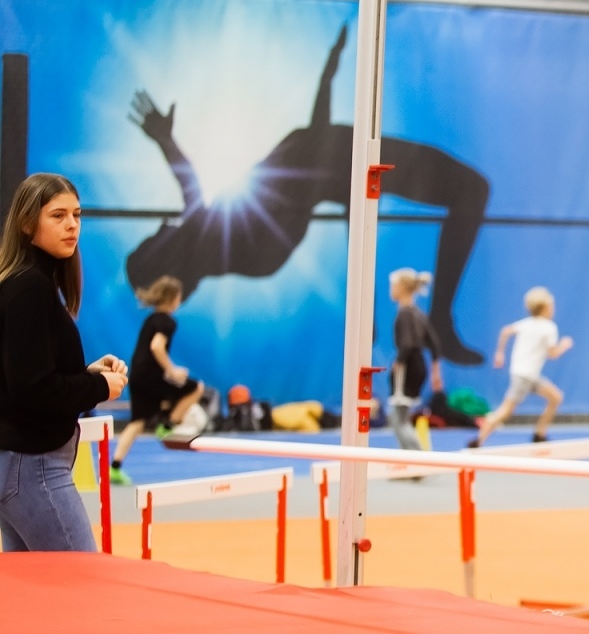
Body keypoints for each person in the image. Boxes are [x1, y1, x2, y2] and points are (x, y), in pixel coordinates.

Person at [124, 25, 490, 364]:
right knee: (472, 190)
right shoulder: (239, 248)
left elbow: (317, 148)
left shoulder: (229, 239)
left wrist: (327, 76)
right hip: (348, 155)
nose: (161, 225)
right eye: (157, 237)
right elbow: (320, 168)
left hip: (343, 151)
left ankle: (432, 317)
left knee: (471, 190)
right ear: (171, 259)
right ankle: (433, 318)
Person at [0, 174, 128, 552]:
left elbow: (22, 376)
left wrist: (84, 374)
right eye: (58, 215)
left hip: (21, 465)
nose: (72, 225)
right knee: (82, 590)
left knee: (33, 599)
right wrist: (100, 387)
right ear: (27, 224)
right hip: (33, 467)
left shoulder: (26, 284)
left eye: (76, 214)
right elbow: (32, 389)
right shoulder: (29, 288)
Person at [108, 275, 204, 485]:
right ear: (172, 298)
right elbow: (156, 347)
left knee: (137, 422)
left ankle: (114, 467)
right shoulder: (167, 321)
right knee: (196, 388)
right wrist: (173, 371)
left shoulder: (151, 319)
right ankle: (168, 424)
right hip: (150, 376)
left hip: (138, 375)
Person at [470, 287, 572, 447]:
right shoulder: (549, 327)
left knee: (556, 397)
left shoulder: (525, 324)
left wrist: (499, 353)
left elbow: (505, 331)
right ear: (545, 308)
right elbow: (553, 354)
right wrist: (564, 345)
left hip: (529, 375)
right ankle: (479, 438)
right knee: (506, 410)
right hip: (525, 376)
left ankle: (539, 434)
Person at [389, 268, 444, 451]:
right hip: (418, 365)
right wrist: (436, 372)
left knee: (398, 419)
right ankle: (410, 462)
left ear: (402, 288)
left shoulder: (405, 314)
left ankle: (417, 458)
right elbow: (435, 345)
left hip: (408, 367)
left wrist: (397, 364)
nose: (391, 289)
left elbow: (407, 345)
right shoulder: (419, 313)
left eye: (393, 285)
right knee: (400, 417)